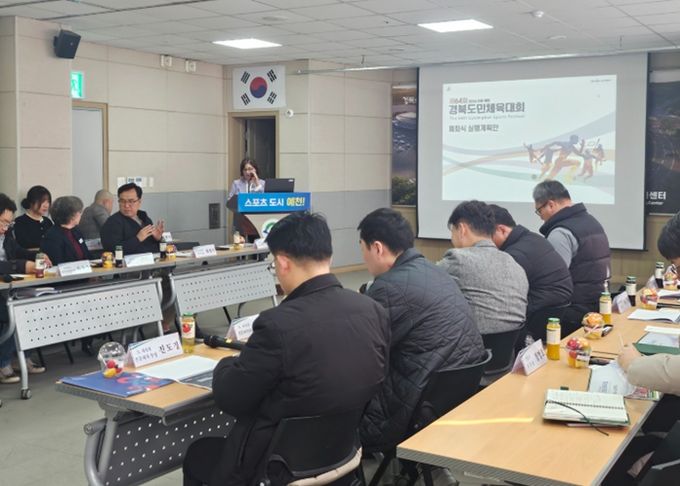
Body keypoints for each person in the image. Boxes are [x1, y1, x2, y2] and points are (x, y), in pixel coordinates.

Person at [182, 212, 389, 486]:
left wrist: (226, 364)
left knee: (198, 454)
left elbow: (231, 398)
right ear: (328, 256)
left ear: (282, 262)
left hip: (275, 468)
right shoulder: (373, 311)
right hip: (341, 457)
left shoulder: (278, 325)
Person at [357, 208, 485, 452]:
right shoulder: (434, 271)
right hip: (453, 395)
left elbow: (362, 353)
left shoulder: (388, 288)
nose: (363, 257)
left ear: (377, 248)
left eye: (362, 248)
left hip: (414, 404)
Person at [437, 200, 528, 334]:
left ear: (461, 229)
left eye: (452, 231)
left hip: (468, 343)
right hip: (509, 345)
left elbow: (427, 284)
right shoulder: (514, 263)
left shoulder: (458, 259)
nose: (451, 238)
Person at [533, 180, 611, 333]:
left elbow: (554, 280)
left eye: (539, 211)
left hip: (574, 313)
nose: (540, 217)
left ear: (551, 205)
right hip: (598, 304)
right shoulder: (591, 221)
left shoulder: (560, 233)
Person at [489, 204, 572, 339]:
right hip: (552, 311)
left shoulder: (514, 255)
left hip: (536, 319)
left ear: (501, 230)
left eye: (486, 237)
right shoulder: (531, 238)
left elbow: (500, 295)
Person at [0, 194, 46, 384]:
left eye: (8, 224)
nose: (5, 228)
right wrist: (21, 266)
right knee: (13, 314)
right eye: (3, 222)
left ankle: (21, 357)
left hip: (7, 288)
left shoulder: (6, 235)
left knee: (30, 309)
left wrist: (38, 256)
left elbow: (18, 251)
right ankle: (3, 364)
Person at [100, 183, 164, 254]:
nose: (126, 205)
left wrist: (159, 239)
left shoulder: (144, 218)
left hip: (154, 259)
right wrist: (137, 239)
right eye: (122, 201)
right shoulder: (112, 222)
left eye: (131, 201)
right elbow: (112, 249)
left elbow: (153, 246)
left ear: (139, 202)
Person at [40, 196, 91, 265]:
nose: (81, 214)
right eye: (79, 212)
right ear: (72, 215)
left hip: (84, 269)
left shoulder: (76, 231)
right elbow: (57, 262)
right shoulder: (52, 236)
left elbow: (87, 255)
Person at [12, 185, 53, 250]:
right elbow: (21, 246)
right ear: (31, 202)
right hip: (30, 255)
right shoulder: (20, 222)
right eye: (42, 201)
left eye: (48, 202)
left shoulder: (48, 222)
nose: (46, 205)